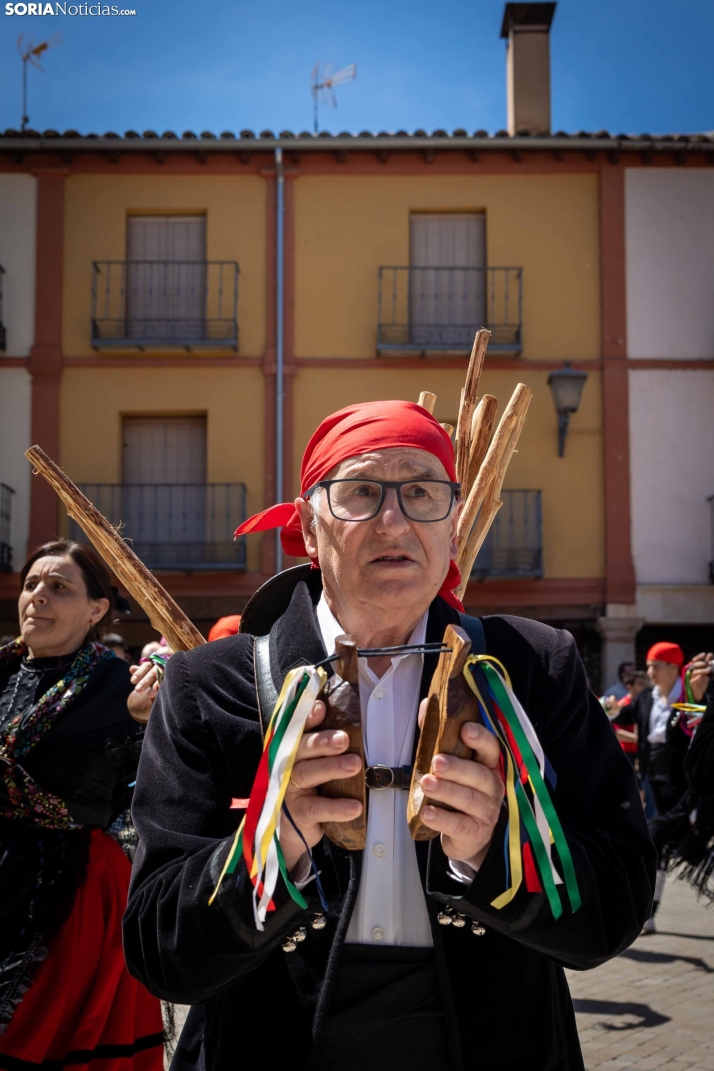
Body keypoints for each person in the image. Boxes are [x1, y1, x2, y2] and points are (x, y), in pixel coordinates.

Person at [124, 400, 656, 1071]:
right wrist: (272, 842)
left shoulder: (532, 667)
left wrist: (500, 848)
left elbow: (615, 907)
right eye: (361, 493)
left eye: (423, 492)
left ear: (454, 528)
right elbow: (157, 949)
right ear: (311, 531)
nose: (395, 519)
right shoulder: (209, 685)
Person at [0, 540, 163, 1065]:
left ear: (96, 610)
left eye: (58, 587)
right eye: (31, 585)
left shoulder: (123, 687)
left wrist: (147, 720)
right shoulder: (1, 672)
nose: (37, 598)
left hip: (67, 896)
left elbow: (149, 783)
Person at [630, 643, 711, 932]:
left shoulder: (694, 697)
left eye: (656, 666)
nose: (650, 672)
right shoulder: (645, 700)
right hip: (652, 781)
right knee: (661, 846)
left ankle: (649, 913)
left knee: (668, 843)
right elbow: (622, 719)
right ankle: (649, 914)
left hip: (685, 786)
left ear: (674, 668)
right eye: (649, 665)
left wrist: (699, 698)